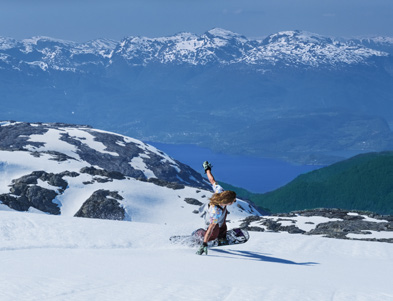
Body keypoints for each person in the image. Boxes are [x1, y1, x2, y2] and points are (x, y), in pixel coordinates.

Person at [196, 161, 237, 255]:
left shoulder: (220, 191)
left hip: (220, 211)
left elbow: (212, 180)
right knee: (214, 232)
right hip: (210, 216)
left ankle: (222, 237)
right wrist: (204, 244)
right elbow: (211, 227)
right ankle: (200, 235)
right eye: (233, 201)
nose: (234, 201)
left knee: (223, 220)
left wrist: (207, 169)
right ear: (228, 202)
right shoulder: (216, 212)